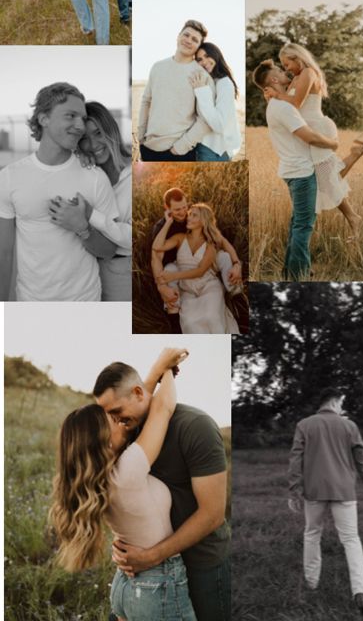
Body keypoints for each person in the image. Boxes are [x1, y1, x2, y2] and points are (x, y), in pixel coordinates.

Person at [50, 348, 196, 620]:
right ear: (104, 442)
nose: (123, 423)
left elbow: (137, 406)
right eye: (114, 422)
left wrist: (148, 380)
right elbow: (162, 409)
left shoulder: (98, 479)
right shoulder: (127, 471)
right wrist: (165, 367)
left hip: (126, 586)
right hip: (157, 584)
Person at [93, 356, 229, 621]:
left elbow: (213, 514)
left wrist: (151, 556)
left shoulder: (195, 427)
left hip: (202, 562)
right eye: (107, 414)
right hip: (149, 570)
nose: (113, 421)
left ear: (137, 393)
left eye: (116, 411)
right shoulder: (129, 433)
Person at [0, 83, 122, 302]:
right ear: (43, 118)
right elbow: (4, 253)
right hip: (31, 303)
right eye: (70, 116)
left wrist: (82, 228)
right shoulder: (10, 177)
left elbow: (109, 250)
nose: (80, 126)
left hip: (85, 303)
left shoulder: (94, 177)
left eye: (82, 118)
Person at [260, 43, 363, 238]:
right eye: (283, 65)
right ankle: (356, 156)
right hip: (308, 131)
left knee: (327, 178)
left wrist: (277, 94)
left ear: (297, 57)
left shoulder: (308, 73)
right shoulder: (296, 77)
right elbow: (287, 108)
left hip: (318, 128)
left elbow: (296, 103)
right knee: (327, 177)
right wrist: (272, 98)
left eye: (287, 63)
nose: (286, 68)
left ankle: (354, 218)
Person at [252, 60, 348, 279]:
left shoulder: (276, 105)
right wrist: (333, 144)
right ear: (274, 80)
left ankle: (289, 271)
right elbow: (309, 136)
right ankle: (299, 275)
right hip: (302, 173)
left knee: (297, 224)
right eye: (279, 69)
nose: (284, 70)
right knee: (304, 226)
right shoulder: (283, 108)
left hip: (292, 170)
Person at [288, 387, 363, 617]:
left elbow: (295, 459)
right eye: (341, 403)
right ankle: (360, 591)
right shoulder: (349, 425)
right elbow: (362, 459)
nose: (342, 407)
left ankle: (311, 583)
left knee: (312, 533)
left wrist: (294, 490)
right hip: (344, 490)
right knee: (351, 539)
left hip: (314, 490)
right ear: (335, 402)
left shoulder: (304, 425)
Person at [150, 188, 243, 324]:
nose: (183, 213)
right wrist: (161, 287)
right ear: (167, 208)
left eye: (184, 207)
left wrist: (237, 264)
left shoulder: (193, 213)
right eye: (177, 210)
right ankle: (174, 318)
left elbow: (223, 242)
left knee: (223, 257)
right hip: (178, 264)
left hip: (203, 257)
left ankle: (238, 300)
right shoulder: (161, 227)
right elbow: (156, 258)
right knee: (169, 270)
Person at [137, 20, 210, 161]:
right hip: (148, 148)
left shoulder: (201, 75)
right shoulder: (157, 67)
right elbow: (146, 101)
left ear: (198, 47)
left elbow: (205, 119)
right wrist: (141, 135)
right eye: (186, 35)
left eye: (195, 40)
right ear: (178, 36)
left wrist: (181, 147)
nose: (189, 40)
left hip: (179, 152)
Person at [81, 101, 132, 302]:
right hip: (87, 271)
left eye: (98, 133)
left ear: (111, 131)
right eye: (84, 138)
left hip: (121, 272)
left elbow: (133, 237)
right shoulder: (88, 174)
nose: (92, 145)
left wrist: (91, 215)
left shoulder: (136, 174)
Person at [189, 43, 242, 163]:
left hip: (213, 150)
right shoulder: (209, 80)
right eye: (199, 59)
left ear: (216, 55)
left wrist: (201, 91)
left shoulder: (224, 83)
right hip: (205, 146)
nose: (204, 62)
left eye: (207, 56)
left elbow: (219, 125)